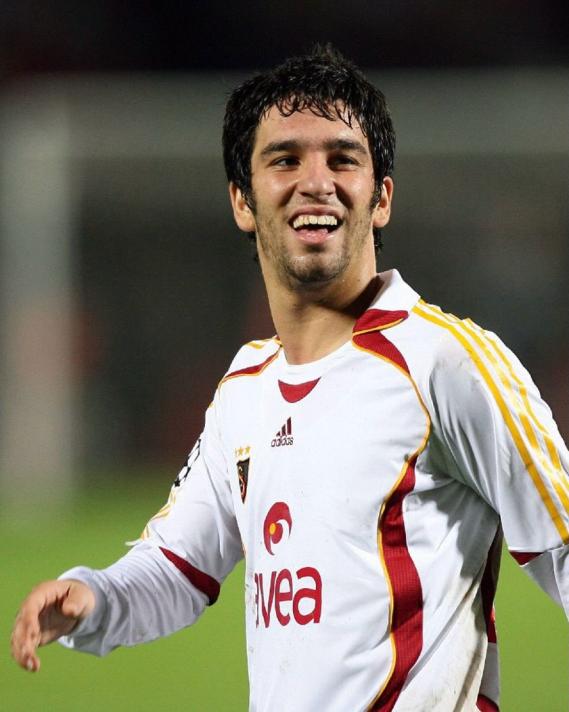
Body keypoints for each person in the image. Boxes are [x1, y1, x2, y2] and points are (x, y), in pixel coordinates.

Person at [11, 45, 569, 711]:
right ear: (242, 202)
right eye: (285, 159)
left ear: (381, 198)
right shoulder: (245, 390)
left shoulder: (446, 362)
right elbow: (178, 566)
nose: (316, 182)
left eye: (342, 159)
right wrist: (95, 597)